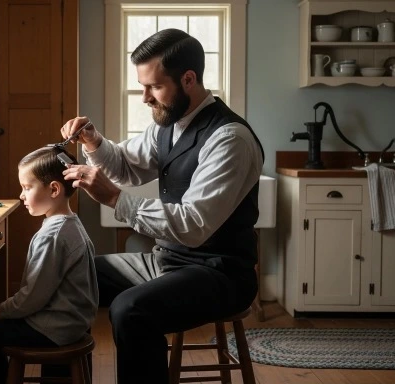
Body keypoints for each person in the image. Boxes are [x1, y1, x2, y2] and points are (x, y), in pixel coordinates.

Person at [60, 29, 264, 383]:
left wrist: (112, 198)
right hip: (167, 261)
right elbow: (126, 166)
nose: (145, 98)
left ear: (188, 79)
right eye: (142, 86)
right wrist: (93, 141)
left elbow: (193, 225)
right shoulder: (167, 126)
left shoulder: (230, 139)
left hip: (221, 272)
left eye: (153, 87)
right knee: (69, 275)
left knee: (130, 310)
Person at [0, 146, 99, 384]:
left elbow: (33, 297)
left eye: (27, 187)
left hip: (56, 327)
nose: (21, 195)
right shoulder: (72, 224)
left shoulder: (51, 236)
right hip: (75, 322)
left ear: (54, 189)